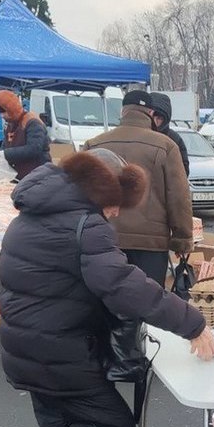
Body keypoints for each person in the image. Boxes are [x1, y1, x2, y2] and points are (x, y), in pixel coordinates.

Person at [0, 147, 214, 427]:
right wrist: (192, 322)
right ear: (101, 191)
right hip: (60, 352)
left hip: (28, 348)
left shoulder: (30, 214)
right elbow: (123, 285)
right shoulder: (86, 225)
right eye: (116, 201)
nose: (116, 213)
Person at [83, 90, 193, 283]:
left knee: (106, 303)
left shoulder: (95, 144)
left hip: (104, 238)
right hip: (151, 244)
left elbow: (80, 192)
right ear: (150, 113)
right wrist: (182, 239)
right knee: (147, 303)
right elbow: (178, 196)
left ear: (123, 111)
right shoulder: (166, 146)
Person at [0, 90, 51, 180]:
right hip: (19, 176)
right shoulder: (10, 125)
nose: (2, 116)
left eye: (4, 112)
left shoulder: (32, 122)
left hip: (37, 176)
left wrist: (5, 154)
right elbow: (6, 146)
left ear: (11, 108)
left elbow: (34, 148)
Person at [148, 92, 190, 176]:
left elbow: (184, 171)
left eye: (159, 118)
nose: (155, 121)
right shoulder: (140, 136)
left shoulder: (174, 139)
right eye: (152, 117)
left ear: (166, 119)